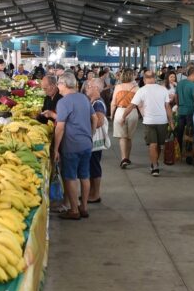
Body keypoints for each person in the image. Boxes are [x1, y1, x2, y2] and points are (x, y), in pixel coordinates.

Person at [53, 72, 93, 221]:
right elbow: (94, 118)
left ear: (64, 84)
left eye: (58, 83)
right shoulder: (84, 98)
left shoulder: (63, 102)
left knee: (70, 177)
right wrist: (90, 134)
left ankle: (74, 210)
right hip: (86, 144)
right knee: (84, 175)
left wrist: (55, 149)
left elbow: (60, 127)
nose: (58, 86)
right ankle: (84, 207)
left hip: (72, 145)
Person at [122, 69, 173, 177]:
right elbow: (167, 107)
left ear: (144, 79)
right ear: (154, 78)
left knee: (153, 145)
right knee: (157, 145)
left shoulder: (141, 90)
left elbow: (132, 105)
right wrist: (171, 122)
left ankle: (154, 164)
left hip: (149, 121)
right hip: (162, 121)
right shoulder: (163, 89)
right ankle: (155, 165)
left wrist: (123, 116)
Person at [83, 77, 107, 205]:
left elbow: (99, 121)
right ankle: (91, 192)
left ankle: (95, 194)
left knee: (94, 166)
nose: (87, 88)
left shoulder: (98, 103)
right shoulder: (93, 102)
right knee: (91, 166)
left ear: (96, 88)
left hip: (94, 140)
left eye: (89, 86)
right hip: (91, 139)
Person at [111, 69, 140, 169]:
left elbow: (113, 102)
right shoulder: (137, 88)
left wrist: (111, 114)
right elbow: (140, 104)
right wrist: (144, 115)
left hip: (120, 111)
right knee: (129, 137)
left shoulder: (118, 87)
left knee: (122, 137)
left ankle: (123, 159)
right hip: (133, 112)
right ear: (132, 76)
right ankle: (127, 158)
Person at [176, 67, 194, 165]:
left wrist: (178, 106)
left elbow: (176, 96)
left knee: (179, 133)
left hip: (181, 111)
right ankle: (188, 156)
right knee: (189, 134)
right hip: (190, 111)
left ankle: (178, 152)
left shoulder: (180, 83)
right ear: (193, 74)